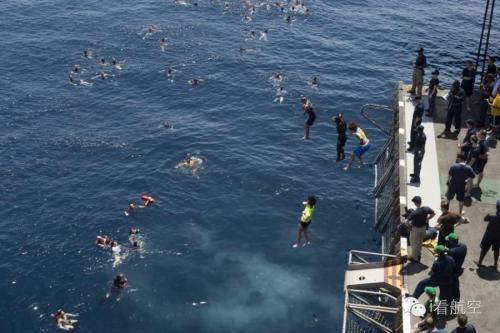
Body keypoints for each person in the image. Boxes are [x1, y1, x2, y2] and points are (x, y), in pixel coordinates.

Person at [406, 196, 435, 262]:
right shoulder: (426, 208)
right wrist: (428, 219)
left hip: (415, 230)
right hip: (423, 228)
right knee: (419, 242)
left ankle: (414, 258)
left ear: (415, 203)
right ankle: (418, 255)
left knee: (414, 244)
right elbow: (433, 213)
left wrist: (409, 227)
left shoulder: (414, 213)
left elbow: (406, 221)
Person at [475, 200, 500, 268]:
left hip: (489, 234)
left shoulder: (491, 215)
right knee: (497, 249)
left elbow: (485, 219)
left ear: (496, 207)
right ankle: (495, 264)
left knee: (484, 249)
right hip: (498, 236)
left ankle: (479, 262)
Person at [446, 233, 467, 303]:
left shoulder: (451, 252)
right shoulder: (464, 247)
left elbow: (449, 262)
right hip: (458, 269)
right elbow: (457, 251)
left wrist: (448, 251)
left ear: (451, 241)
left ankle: (449, 301)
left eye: (449, 240)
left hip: (452, 271)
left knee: (449, 286)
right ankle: (456, 298)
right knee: (456, 285)